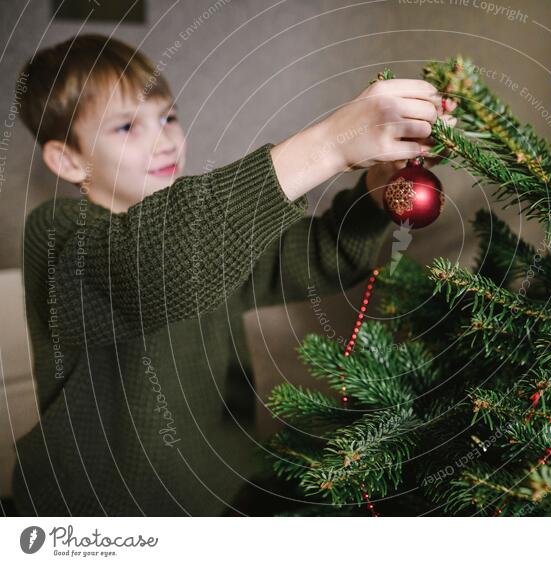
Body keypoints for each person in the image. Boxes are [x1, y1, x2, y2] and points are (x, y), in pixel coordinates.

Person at [12, 34, 456, 516]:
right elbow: (157, 266)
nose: (164, 139)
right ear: (69, 160)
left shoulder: (206, 231)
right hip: (106, 514)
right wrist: (330, 143)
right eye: (126, 128)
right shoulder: (58, 234)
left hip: (226, 490)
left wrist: (374, 194)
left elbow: (319, 256)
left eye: (168, 117)